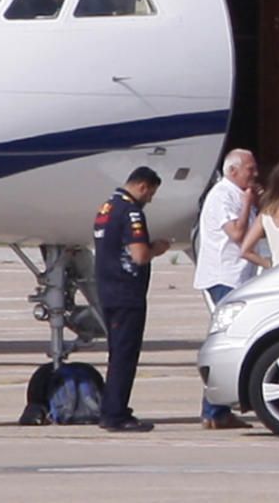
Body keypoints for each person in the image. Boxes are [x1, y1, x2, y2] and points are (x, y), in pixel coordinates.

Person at [93, 166, 170, 432]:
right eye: (150, 193)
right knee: (124, 356)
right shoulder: (131, 212)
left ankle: (112, 408)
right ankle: (115, 414)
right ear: (143, 187)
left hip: (108, 291)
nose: (150, 199)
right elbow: (139, 255)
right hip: (127, 293)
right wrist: (157, 248)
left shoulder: (107, 208)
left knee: (116, 353)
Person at [193, 148, 258, 430]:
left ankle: (215, 408)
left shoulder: (236, 193)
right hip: (224, 278)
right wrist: (247, 203)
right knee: (226, 341)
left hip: (238, 277)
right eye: (250, 169)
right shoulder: (223, 195)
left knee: (231, 341)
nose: (254, 174)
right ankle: (214, 410)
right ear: (233, 171)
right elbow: (237, 234)